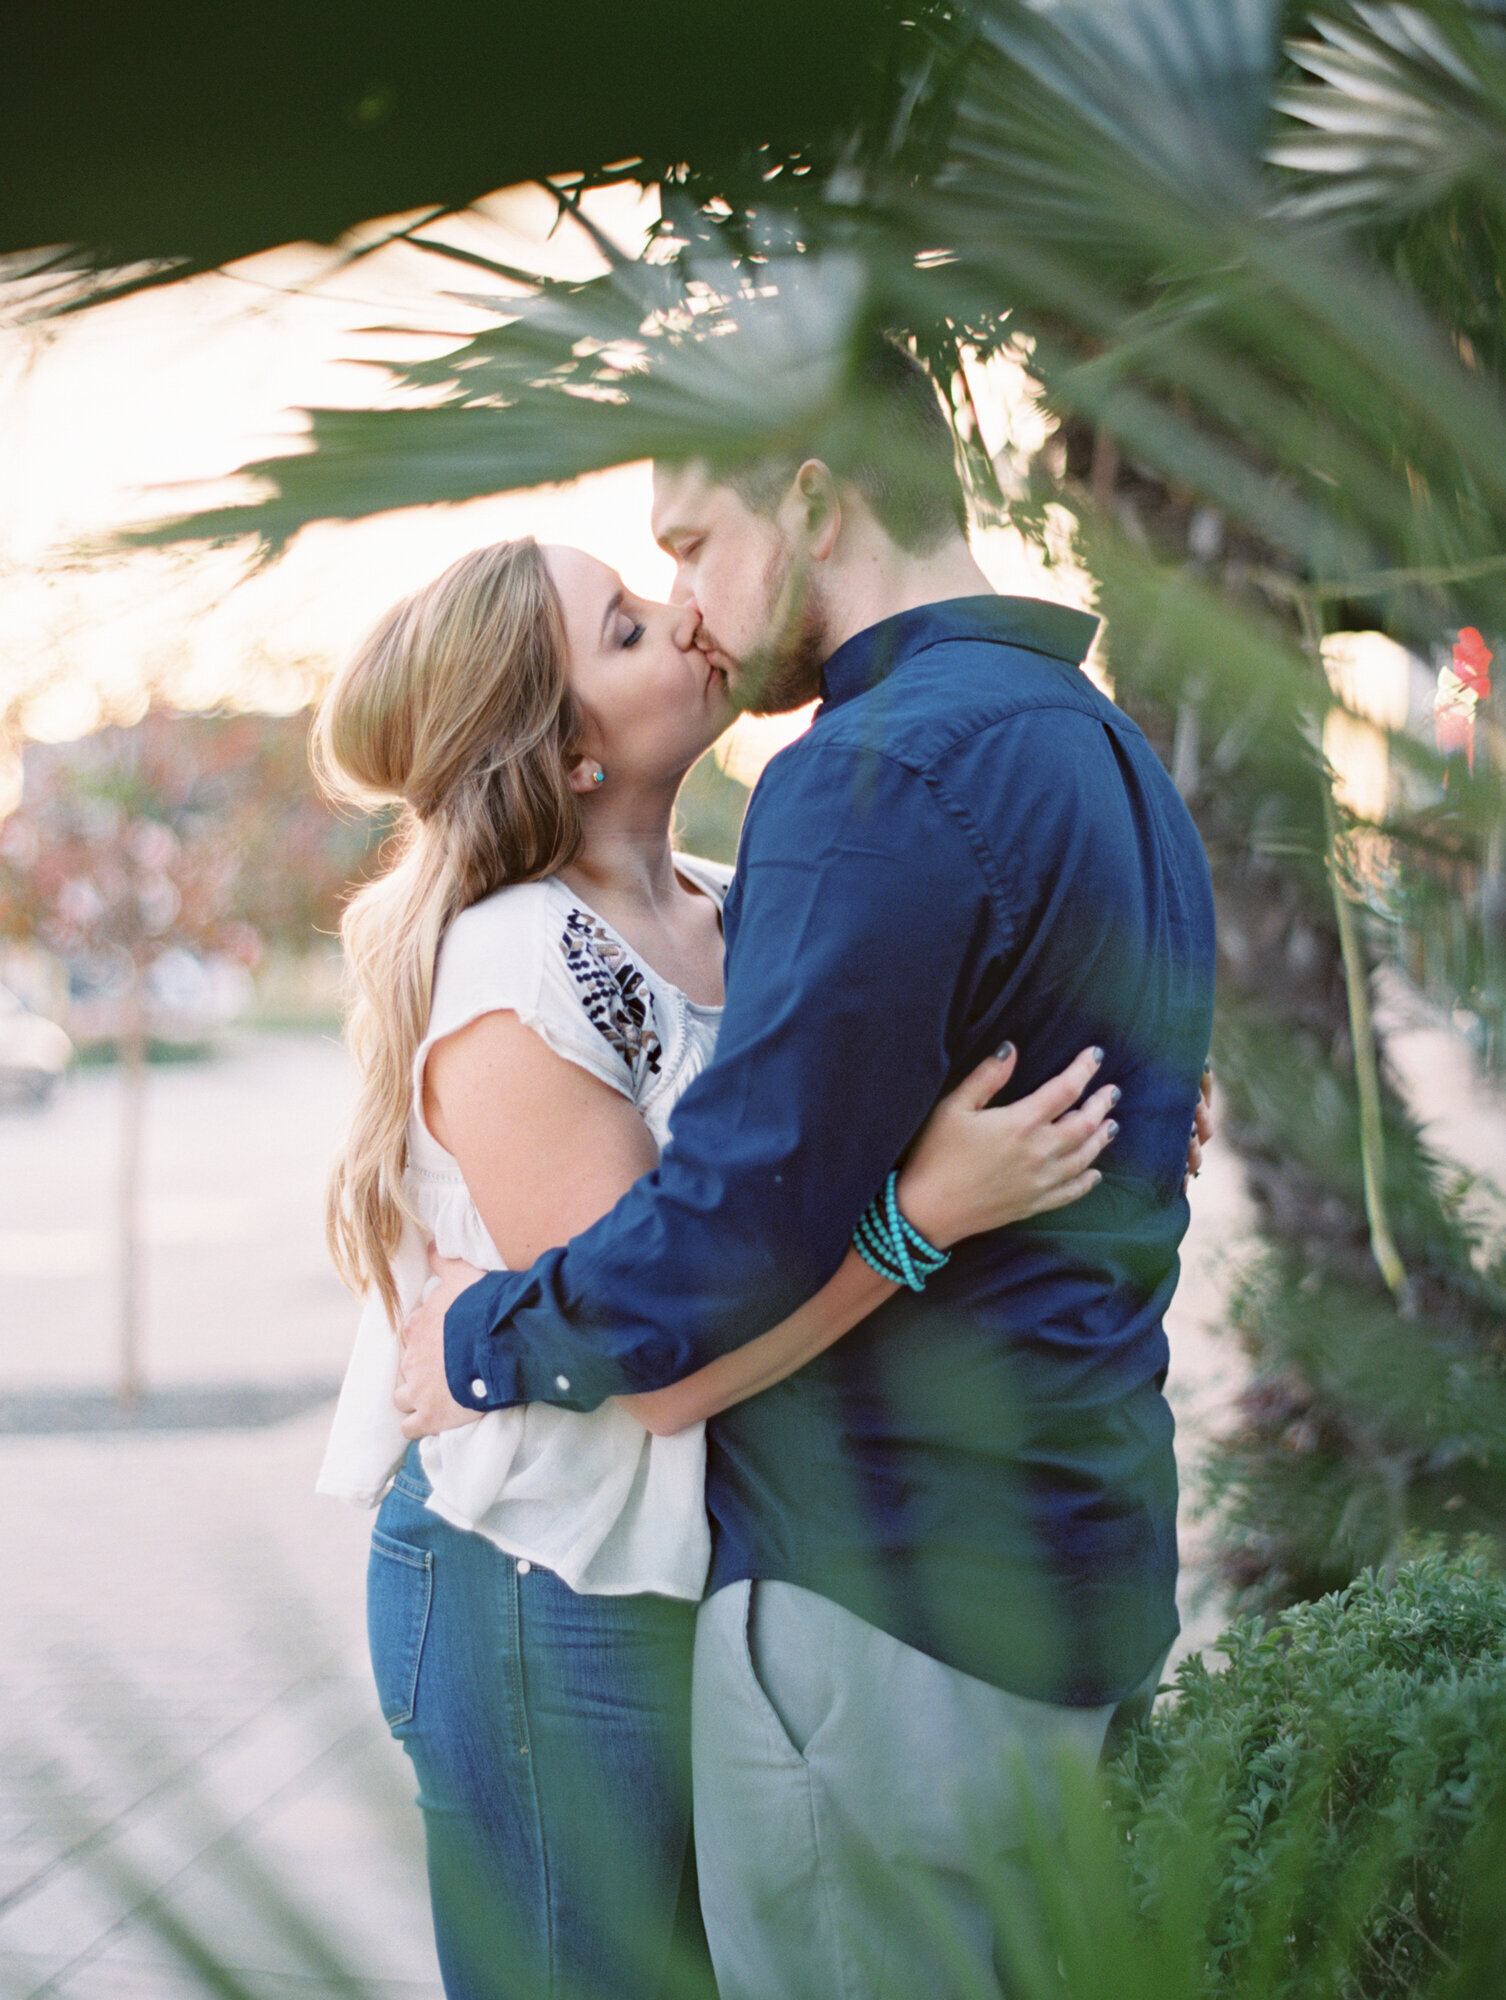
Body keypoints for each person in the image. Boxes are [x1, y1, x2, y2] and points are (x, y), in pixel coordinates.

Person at [397, 333, 1219, 1999]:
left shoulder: (861, 773)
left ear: (818, 500)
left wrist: (481, 1341)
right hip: (1072, 1567)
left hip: (887, 1599)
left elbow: (723, 1240)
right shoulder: (1102, 746)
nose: (687, 603)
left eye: (688, 550)